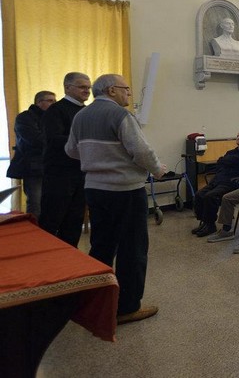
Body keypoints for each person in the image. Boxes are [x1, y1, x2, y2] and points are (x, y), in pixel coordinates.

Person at [65, 74, 167, 324]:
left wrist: (97, 160)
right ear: (111, 90)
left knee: (101, 245)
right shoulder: (120, 115)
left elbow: (70, 150)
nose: (128, 94)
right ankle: (127, 308)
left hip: (95, 189)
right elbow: (142, 150)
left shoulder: (81, 115)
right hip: (125, 190)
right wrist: (157, 169)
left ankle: (97, 300)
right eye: (126, 90)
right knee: (132, 248)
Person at [38, 72, 92, 247]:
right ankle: (47, 261)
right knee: (52, 219)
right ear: (67, 88)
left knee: (74, 220)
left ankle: (71, 259)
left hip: (81, 173)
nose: (87, 90)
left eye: (89, 87)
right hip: (59, 175)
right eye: (82, 87)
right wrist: (86, 141)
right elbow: (55, 140)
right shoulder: (56, 110)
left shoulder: (87, 111)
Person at [193, 130, 239, 236]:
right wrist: (226, 160)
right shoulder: (231, 152)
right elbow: (220, 162)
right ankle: (204, 221)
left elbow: (226, 160)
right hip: (219, 179)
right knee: (199, 194)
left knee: (210, 196)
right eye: (237, 136)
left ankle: (210, 225)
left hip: (234, 182)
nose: (238, 137)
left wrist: (225, 160)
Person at [6, 90, 56, 218]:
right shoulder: (25, 117)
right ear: (39, 102)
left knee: (51, 202)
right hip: (33, 166)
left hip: (51, 165)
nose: (54, 104)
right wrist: (56, 140)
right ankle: (36, 233)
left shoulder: (53, 117)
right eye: (50, 101)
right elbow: (35, 139)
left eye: (55, 101)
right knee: (35, 202)